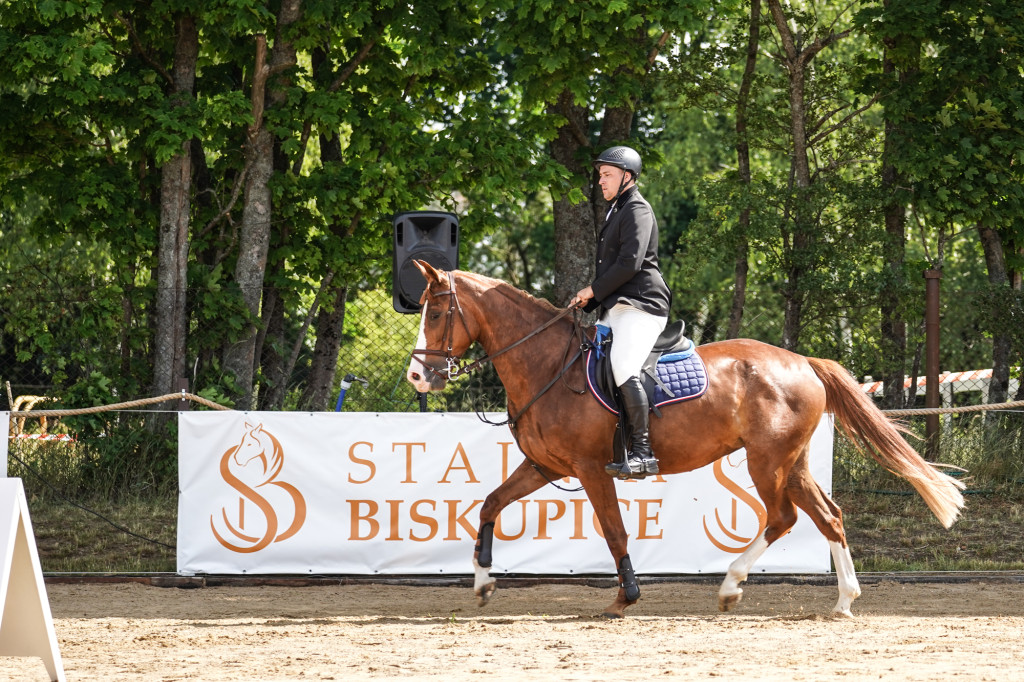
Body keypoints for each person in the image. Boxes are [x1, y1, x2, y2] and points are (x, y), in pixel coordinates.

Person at [570, 146, 671, 480]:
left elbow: (630, 263)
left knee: (623, 365)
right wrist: (594, 301)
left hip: (641, 305)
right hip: (616, 307)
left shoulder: (637, 209)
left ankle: (643, 453)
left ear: (627, 176)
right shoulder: (616, 210)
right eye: (600, 175)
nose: (601, 181)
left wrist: (592, 290)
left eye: (607, 174)